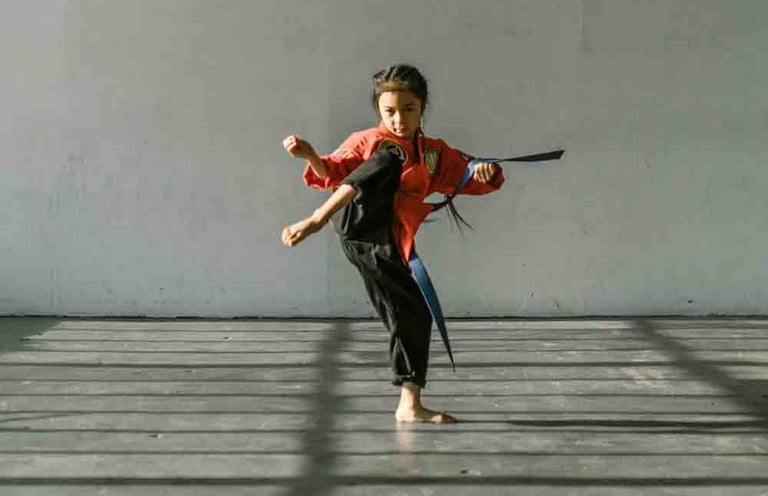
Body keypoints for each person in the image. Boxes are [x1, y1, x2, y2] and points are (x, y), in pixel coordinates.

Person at [281, 64, 504, 423]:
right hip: (362, 229)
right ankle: (316, 219)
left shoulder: (433, 152)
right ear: (379, 111)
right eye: (390, 112)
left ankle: (409, 405)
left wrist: (485, 171)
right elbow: (335, 171)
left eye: (408, 110)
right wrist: (309, 156)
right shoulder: (366, 141)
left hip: (392, 240)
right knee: (385, 160)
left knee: (414, 313)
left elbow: (466, 171)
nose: (399, 119)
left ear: (423, 107)